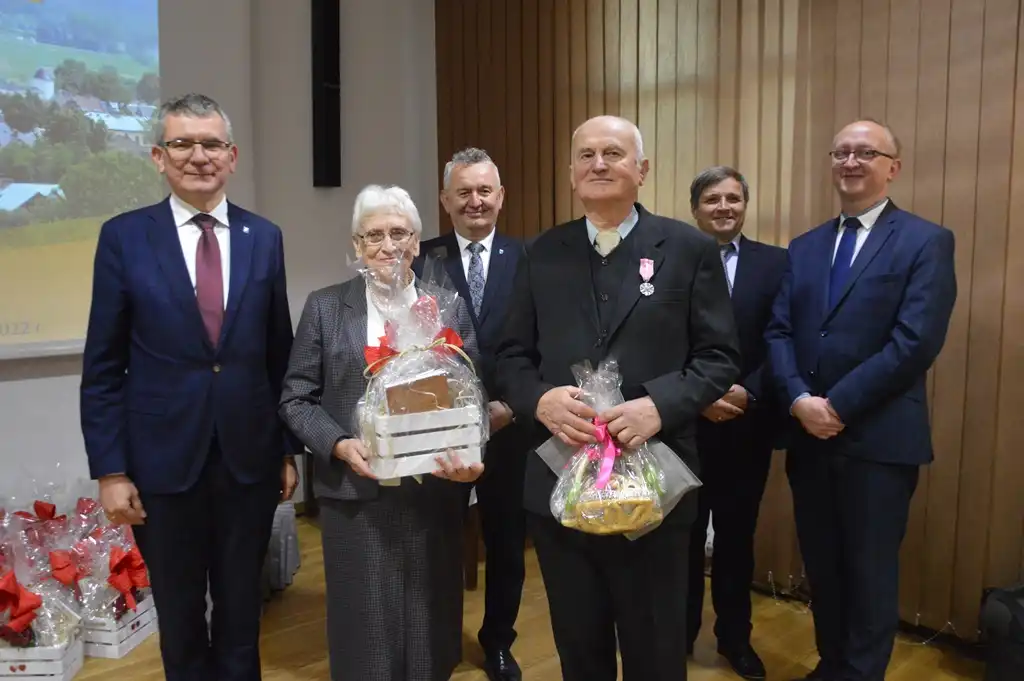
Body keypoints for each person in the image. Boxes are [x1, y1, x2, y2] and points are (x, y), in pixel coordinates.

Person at [495, 115, 742, 681]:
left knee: (655, 647)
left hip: (657, 482)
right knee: (578, 646)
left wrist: (660, 404)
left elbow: (720, 358)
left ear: (642, 170)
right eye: (586, 155)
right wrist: (540, 401)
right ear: (572, 172)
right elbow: (509, 357)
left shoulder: (688, 249)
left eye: (613, 153)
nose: (598, 164)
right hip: (560, 481)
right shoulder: (541, 253)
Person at [80, 92, 300, 681]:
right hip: (160, 465)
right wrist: (111, 470)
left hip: (248, 459)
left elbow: (277, 353)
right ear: (158, 155)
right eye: (182, 143)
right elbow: (103, 365)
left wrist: (285, 449)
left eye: (210, 144)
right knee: (178, 617)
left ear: (231, 156)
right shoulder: (124, 237)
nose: (197, 156)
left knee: (241, 614)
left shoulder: (264, 237)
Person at [765, 119, 957, 681]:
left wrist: (837, 406)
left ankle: (860, 673)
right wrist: (800, 400)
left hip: (878, 440)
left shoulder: (926, 240)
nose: (851, 162)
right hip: (809, 436)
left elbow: (915, 341)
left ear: (892, 167)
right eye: (841, 152)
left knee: (869, 570)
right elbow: (778, 332)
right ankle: (832, 665)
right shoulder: (804, 246)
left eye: (866, 153)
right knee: (822, 567)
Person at [279, 184, 484, 681]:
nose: (388, 245)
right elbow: (295, 397)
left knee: (429, 619)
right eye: (374, 235)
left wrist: (472, 453)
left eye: (399, 233)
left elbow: (472, 395)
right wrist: (339, 445)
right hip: (355, 493)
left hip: (433, 489)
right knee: (364, 622)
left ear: (417, 242)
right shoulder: (326, 307)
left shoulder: (446, 307)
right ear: (356, 245)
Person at [415, 148, 527, 681]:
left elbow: (542, 342)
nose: (475, 201)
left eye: (485, 191)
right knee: (438, 538)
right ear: (445, 200)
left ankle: (498, 642)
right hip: (440, 431)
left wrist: (510, 405)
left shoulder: (529, 259)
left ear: (500, 197)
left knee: (506, 542)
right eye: (464, 192)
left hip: (509, 428)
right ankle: (438, 640)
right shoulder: (421, 260)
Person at [685, 166, 787, 680]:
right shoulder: (668, 260)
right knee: (681, 539)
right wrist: (696, 396)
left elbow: (785, 340)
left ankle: (734, 638)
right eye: (711, 199)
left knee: (735, 539)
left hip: (747, 425)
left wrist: (751, 390)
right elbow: (658, 341)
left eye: (733, 198)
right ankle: (678, 632)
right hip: (685, 425)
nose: (723, 207)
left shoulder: (776, 264)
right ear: (695, 208)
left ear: (744, 204)